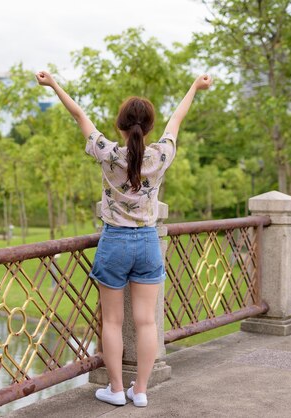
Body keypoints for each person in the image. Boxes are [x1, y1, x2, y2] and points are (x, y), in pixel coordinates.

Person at [36, 70, 212, 407]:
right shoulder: (159, 156)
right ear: (147, 129)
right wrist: (195, 86)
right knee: (147, 322)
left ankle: (116, 389)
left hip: (114, 242)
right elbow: (177, 117)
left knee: (112, 321)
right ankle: (141, 391)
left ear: (120, 126)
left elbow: (79, 115)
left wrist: (53, 84)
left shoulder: (108, 153)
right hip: (147, 243)